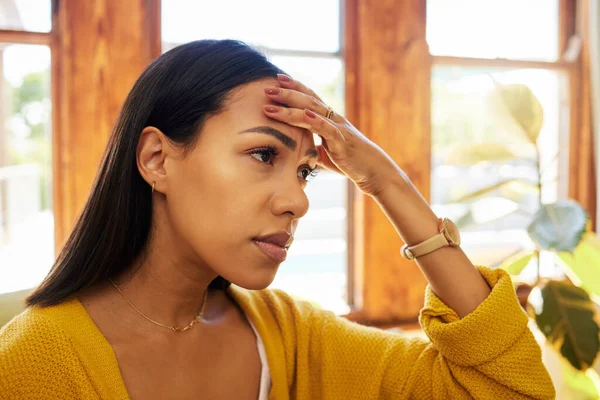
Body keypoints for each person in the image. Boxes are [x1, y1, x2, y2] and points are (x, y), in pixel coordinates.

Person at [0, 40, 554, 399]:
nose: (298, 202)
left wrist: (385, 181)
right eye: (264, 155)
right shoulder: (36, 365)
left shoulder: (289, 336)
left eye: (306, 172)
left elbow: (508, 387)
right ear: (156, 159)